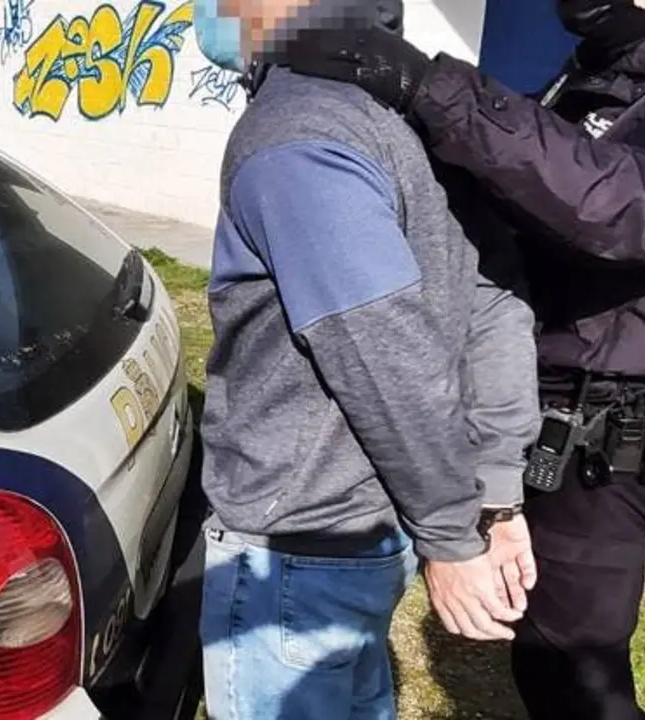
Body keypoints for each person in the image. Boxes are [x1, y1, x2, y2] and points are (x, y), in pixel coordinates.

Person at [283, 0, 645, 717]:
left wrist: (432, 88)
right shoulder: (614, 67)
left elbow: (630, 212)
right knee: (543, 651)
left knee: (574, 670)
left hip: (611, 437)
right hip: (546, 405)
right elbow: (531, 176)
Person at [190, 0, 543, 716]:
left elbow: (390, 359)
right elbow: (494, 304)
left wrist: (454, 534)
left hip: (299, 540)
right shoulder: (418, 116)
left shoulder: (296, 135)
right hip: (370, 530)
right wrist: (494, 493)